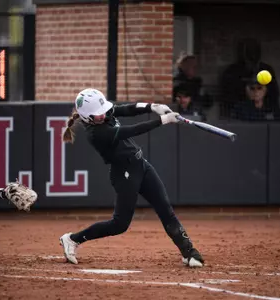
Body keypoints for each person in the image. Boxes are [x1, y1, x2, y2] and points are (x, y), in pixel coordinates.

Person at [59, 88, 204, 268]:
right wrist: (163, 120)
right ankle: (73, 239)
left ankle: (188, 252)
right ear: (87, 117)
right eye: (97, 114)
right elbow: (131, 130)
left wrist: (153, 107)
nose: (103, 115)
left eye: (102, 111)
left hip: (140, 164)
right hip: (124, 173)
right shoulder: (96, 133)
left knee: (165, 208)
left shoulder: (102, 114)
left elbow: (128, 109)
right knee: (119, 224)